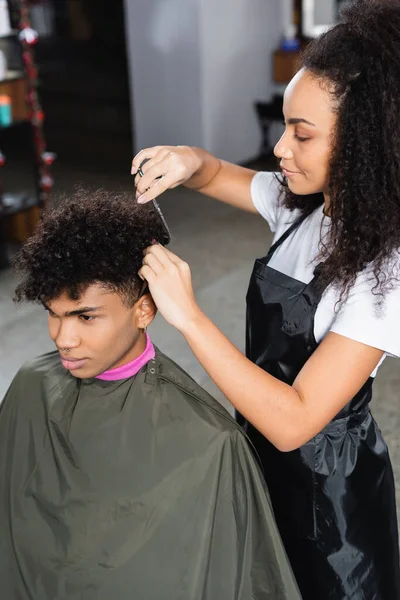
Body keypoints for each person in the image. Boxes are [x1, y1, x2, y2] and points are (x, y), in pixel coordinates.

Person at [131, 1, 400, 598]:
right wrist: (185, 160)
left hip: (334, 506)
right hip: (262, 461)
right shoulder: (302, 204)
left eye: (302, 134)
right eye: (285, 126)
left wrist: (189, 317)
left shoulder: (384, 270)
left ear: (365, 142)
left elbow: (297, 420)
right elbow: (208, 175)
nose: (281, 149)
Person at [0, 188, 301, 600]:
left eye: (85, 317)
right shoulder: (32, 384)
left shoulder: (213, 443)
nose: (63, 338)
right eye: (53, 314)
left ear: (144, 309)